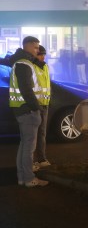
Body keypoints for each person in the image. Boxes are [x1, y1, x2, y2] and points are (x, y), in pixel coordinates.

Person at [8, 36, 50, 187]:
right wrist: (36, 108)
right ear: (27, 46)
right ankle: (29, 178)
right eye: (36, 47)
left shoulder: (20, 63)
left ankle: (22, 177)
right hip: (27, 111)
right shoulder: (24, 64)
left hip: (22, 110)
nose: (37, 50)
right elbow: (26, 89)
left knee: (24, 145)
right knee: (29, 147)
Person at [34, 45, 52, 169]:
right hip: (34, 105)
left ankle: (41, 158)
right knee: (33, 135)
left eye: (44, 54)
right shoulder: (32, 67)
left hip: (44, 104)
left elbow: (47, 84)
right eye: (41, 54)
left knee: (41, 134)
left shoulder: (45, 66)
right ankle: (33, 161)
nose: (43, 56)